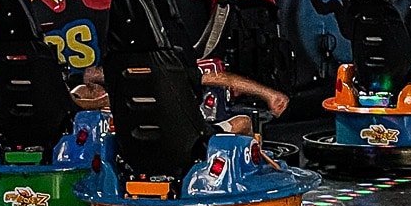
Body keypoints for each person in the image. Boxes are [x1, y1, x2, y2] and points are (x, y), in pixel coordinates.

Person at [71, 60, 288, 136]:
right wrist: (269, 94)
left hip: (149, 142)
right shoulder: (169, 71)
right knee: (244, 122)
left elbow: (223, 79)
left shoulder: (120, 88)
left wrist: (268, 93)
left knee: (242, 121)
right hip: (182, 139)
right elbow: (222, 79)